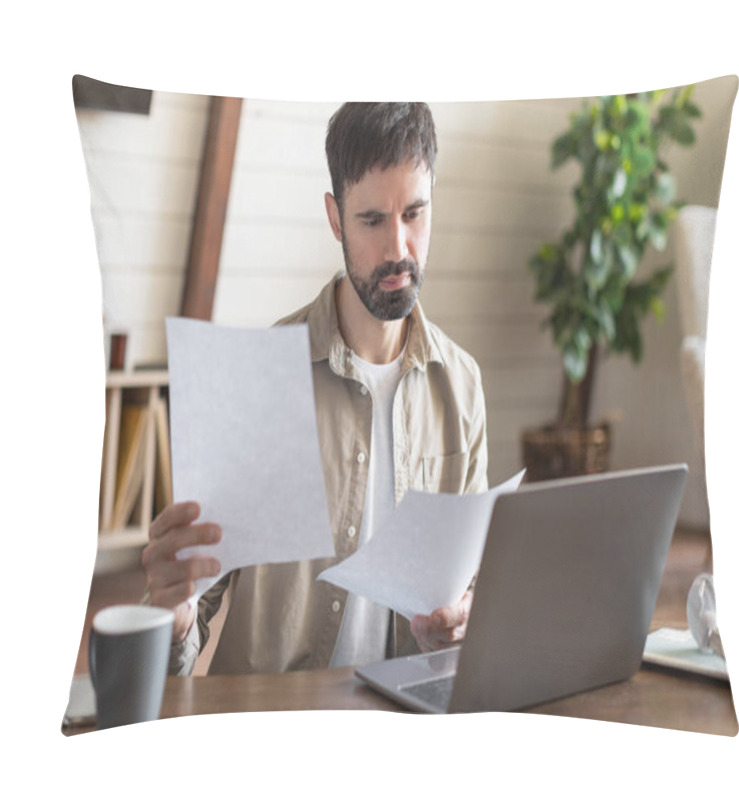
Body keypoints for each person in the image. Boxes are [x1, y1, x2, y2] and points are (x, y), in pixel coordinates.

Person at [142, 102, 488, 675]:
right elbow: (179, 643)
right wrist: (171, 616)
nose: (398, 249)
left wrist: (459, 627)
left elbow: (469, 605)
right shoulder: (261, 383)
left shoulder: (463, 385)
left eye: (415, 214)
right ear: (335, 219)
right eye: (372, 220)